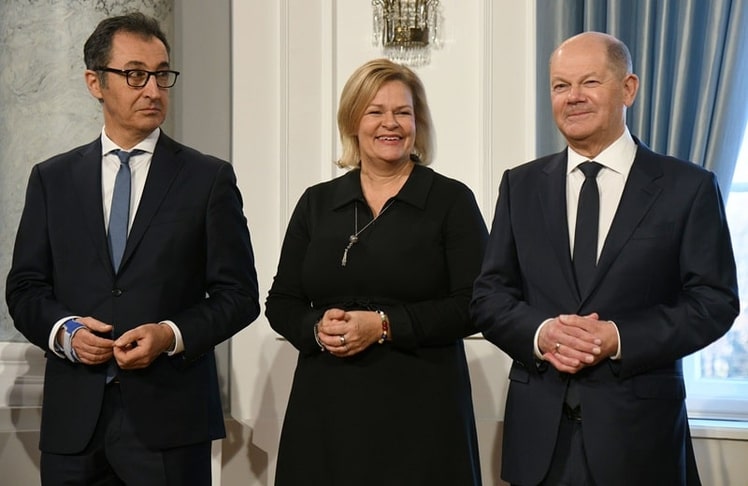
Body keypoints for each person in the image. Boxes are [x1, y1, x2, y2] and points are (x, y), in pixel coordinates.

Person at [470, 31, 739, 486]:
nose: (573, 97)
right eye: (560, 85)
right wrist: (542, 332)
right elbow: (488, 297)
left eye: (589, 82)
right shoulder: (520, 185)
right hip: (539, 443)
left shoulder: (688, 187)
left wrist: (617, 337)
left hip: (640, 441)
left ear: (628, 89)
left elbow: (714, 302)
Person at [5, 12, 259, 486]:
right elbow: (24, 288)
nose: (153, 90)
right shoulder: (52, 179)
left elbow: (240, 296)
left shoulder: (208, 179)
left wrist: (169, 334)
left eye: (162, 75)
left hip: (170, 421)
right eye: (136, 75)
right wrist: (65, 332)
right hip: (74, 424)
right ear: (95, 83)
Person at [265, 58, 487, 486]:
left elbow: (475, 304)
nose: (391, 124)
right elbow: (282, 301)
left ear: (418, 123)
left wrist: (385, 326)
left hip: (422, 411)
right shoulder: (316, 202)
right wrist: (316, 328)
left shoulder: (451, 200)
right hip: (325, 408)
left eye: (403, 112)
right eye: (375, 111)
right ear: (353, 121)